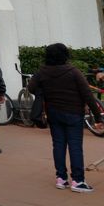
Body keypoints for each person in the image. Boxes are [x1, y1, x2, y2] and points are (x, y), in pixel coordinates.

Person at [27, 43, 104, 193]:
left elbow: (31, 88)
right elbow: (88, 95)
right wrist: (98, 118)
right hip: (73, 114)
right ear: (65, 55)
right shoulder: (73, 72)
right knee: (75, 146)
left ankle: (61, 178)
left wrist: (45, 90)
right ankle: (78, 180)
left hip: (53, 113)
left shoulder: (42, 72)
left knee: (58, 145)